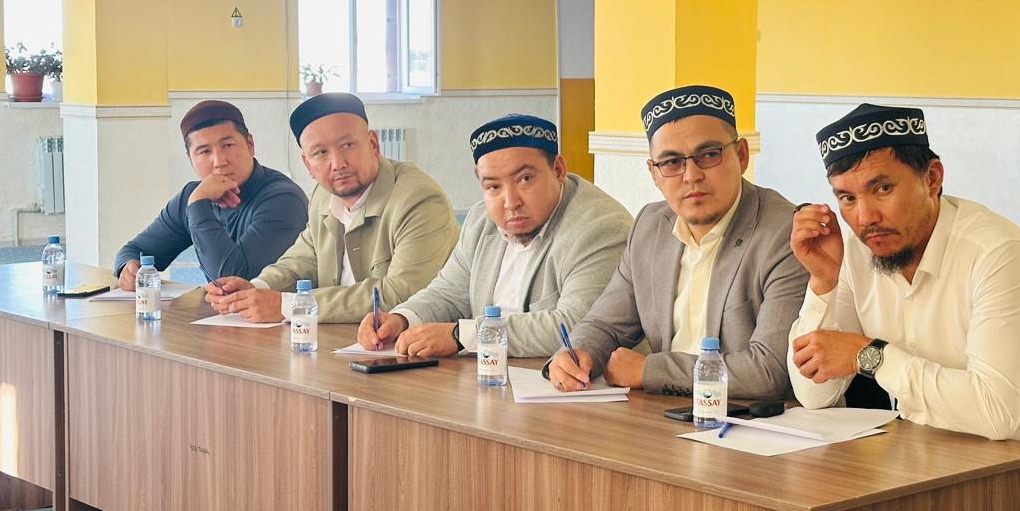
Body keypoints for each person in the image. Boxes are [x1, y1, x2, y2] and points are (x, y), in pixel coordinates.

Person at [787, 103, 1020, 511]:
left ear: (933, 178)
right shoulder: (861, 252)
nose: (865, 217)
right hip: (931, 489)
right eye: (847, 198)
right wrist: (822, 283)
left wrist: (871, 357)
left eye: (883, 188)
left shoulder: (997, 253)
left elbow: (994, 412)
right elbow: (814, 396)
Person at [547, 85, 806, 398]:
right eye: (671, 162)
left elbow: (768, 372)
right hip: (663, 413)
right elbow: (606, 323)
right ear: (654, 173)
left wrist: (649, 371)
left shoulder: (785, 233)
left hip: (755, 421)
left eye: (709, 155)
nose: (691, 175)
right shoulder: (650, 226)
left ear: (741, 156)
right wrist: (575, 354)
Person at [355, 114, 633, 357]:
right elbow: (449, 292)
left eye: (525, 179)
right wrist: (402, 319)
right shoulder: (481, 220)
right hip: (493, 376)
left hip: (575, 387)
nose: (510, 202)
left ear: (558, 170)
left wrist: (463, 336)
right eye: (493, 187)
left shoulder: (600, 227)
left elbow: (579, 326)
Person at [206, 93, 458, 323]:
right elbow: (303, 258)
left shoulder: (418, 199)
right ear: (308, 164)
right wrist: (257, 287)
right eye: (320, 153)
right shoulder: (323, 195)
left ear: (373, 144)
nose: (337, 164)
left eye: (347, 145)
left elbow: (403, 292)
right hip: (337, 338)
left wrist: (291, 306)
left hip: (407, 346)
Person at [113, 100, 307, 290]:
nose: (219, 161)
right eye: (204, 151)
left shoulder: (284, 199)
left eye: (228, 145)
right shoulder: (192, 195)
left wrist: (198, 206)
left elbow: (233, 283)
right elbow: (134, 251)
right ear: (191, 159)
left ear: (250, 144)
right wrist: (128, 268)